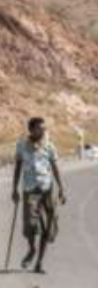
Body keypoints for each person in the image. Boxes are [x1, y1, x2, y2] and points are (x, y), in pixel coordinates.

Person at [10, 117, 65, 274]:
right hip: (30, 191)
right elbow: (17, 168)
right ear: (32, 130)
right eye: (40, 128)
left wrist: (62, 188)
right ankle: (32, 249)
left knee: (49, 227)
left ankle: (39, 263)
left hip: (47, 190)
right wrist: (14, 190)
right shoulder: (22, 146)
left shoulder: (49, 146)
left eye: (45, 128)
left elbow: (55, 168)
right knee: (31, 227)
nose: (44, 131)